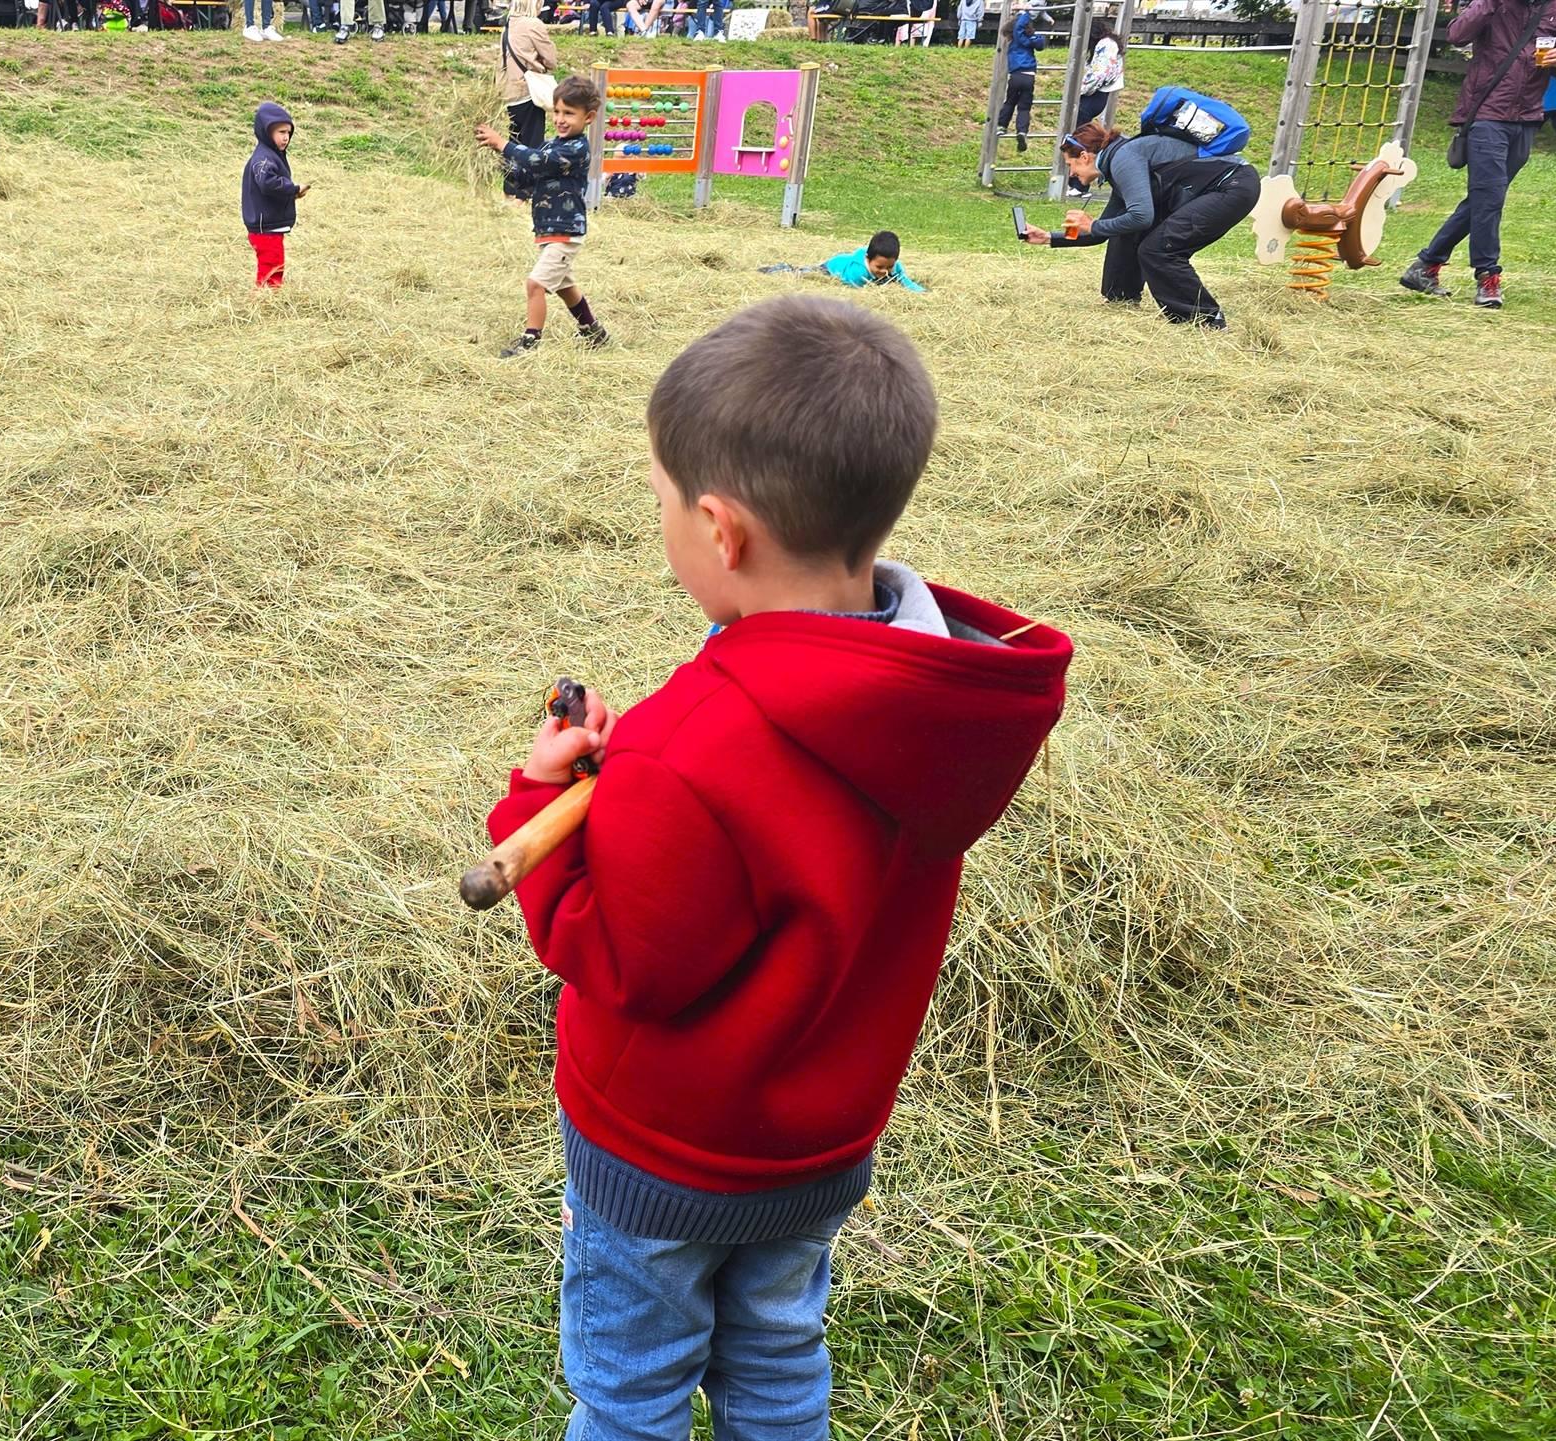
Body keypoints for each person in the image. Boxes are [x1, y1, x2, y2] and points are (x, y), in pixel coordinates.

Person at [484, 294, 1069, 1441]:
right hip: (816, 1141)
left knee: (631, 1388)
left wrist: (542, 796)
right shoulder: (931, 693)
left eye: (658, 503)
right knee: (776, 1356)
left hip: (663, 1155)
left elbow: (617, 955)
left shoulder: (688, 743)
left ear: (722, 529)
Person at [1398, 0, 1556, 309]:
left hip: (1527, 117)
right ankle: (1487, 275)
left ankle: (1426, 266)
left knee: (1485, 197)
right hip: (1486, 113)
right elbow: (1457, 34)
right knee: (1490, 195)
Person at [1020, 120, 1254, 328]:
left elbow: (1142, 216)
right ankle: (1121, 300)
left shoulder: (1124, 159)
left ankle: (1206, 321)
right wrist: (1049, 237)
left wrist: (1093, 226)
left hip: (1232, 185)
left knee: (1159, 249)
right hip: (1227, 185)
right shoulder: (1117, 161)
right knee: (1125, 229)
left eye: (1070, 165)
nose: (1071, 174)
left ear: (1084, 156)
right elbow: (1105, 230)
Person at [478, 73, 610, 357]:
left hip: (566, 231)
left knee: (536, 284)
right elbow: (528, 172)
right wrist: (499, 161)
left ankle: (530, 341)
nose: (561, 119)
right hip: (548, 229)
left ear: (588, 118)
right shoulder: (553, 144)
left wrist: (504, 143)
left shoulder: (577, 148)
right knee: (564, 285)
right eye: (558, 112)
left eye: (569, 114)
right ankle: (593, 330)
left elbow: (538, 160)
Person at [242, 102, 306, 288]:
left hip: (268, 225)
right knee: (271, 266)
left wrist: (291, 194)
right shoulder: (264, 157)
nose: (286, 138)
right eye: (280, 132)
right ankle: (266, 300)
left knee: (274, 264)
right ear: (266, 132)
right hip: (265, 227)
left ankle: (270, 295)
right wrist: (292, 189)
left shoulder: (272, 154)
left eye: (288, 132)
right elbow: (267, 183)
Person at [500, 0, 557, 197]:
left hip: (509, 91)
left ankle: (509, 190)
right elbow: (551, 59)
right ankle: (525, 193)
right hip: (528, 91)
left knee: (513, 143)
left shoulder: (509, 23)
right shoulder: (534, 25)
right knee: (532, 144)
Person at [999, 2, 1043, 152]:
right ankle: (1022, 131)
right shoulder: (1031, 41)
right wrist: (1034, 36)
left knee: (1010, 102)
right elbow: (1040, 44)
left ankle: (1002, 126)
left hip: (1016, 76)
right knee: (1024, 108)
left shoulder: (1018, 40)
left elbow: (1018, 28)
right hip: (1030, 77)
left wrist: (1025, 12)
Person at [824, 230, 927, 291]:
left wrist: (920, 291)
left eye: (889, 267)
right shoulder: (858, 272)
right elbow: (850, 288)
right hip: (831, 267)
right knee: (811, 272)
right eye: (879, 267)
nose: (884, 271)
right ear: (868, 259)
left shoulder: (895, 267)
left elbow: (905, 281)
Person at [1075, 29, 1124, 126]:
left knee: (1079, 129)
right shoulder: (1108, 43)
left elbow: (1099, 74)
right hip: (1098, 94)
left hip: (1094, 95)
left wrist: (1079, 91)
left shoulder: (1105, 45)